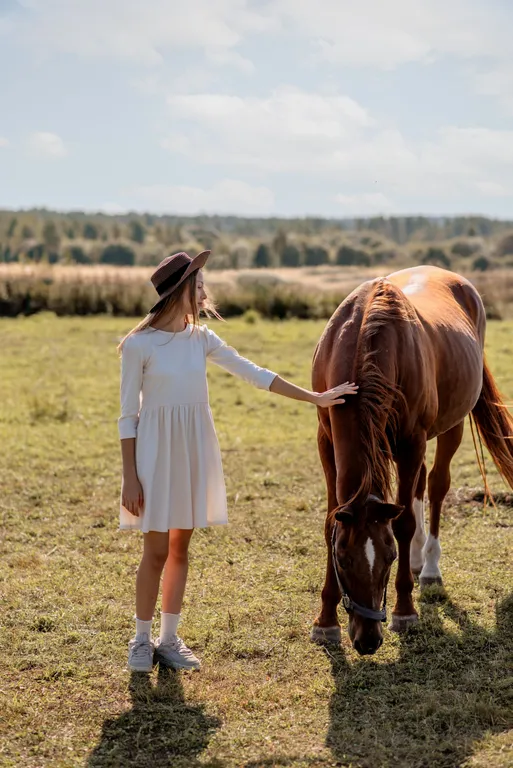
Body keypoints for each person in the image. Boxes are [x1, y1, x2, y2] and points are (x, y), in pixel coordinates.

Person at [118, 250, 358, 672]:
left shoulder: (202, 339)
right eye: (198, 284)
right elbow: (126, 416)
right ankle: (140, 640)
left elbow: (255, 373)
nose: (205, 291)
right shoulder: (138, 345)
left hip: (193, 448)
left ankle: (169, 638)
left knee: (180, 549)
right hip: (153, 455)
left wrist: (314, 397)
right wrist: (129, 478)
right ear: (180, 291)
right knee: (154, 551)